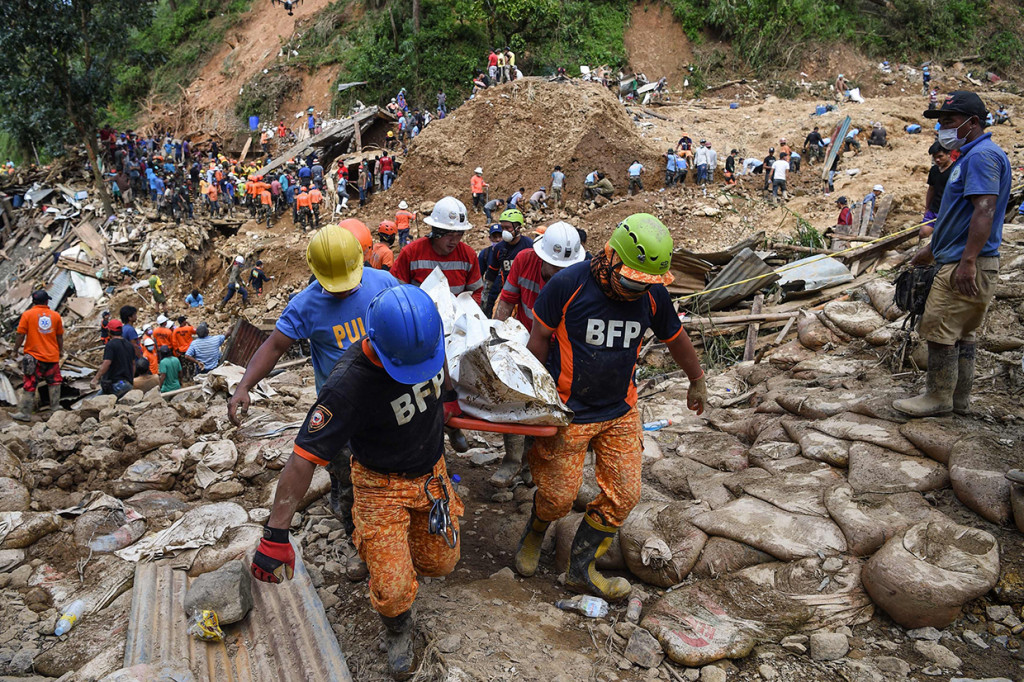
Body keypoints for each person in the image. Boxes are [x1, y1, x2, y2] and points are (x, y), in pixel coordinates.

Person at [250, 285, 462, 678]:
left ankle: (397, 560)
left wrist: (448, 397)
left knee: (440, 562)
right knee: (393, 588)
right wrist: (275, 535)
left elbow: (439, 360)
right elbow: (303, 458)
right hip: (380, 484)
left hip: (431, 474)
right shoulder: (348, 385)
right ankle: (398, 625)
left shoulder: (423, 340)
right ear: (377, 343)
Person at [513, 214, 707, 600]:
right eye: (631, 281)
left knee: (624, 494)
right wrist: (529, 400)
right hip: (569, 411)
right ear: (611, 258)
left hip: (619, 409)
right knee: (557, 497)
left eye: (645, 284)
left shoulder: (651, 295)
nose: (636, 291)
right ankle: (536, 530)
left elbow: (675, 336)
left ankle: (581, 570)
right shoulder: (567, 285)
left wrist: (697, 378)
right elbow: (538, 343)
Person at [229, 226, 399, 579]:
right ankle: (358, 535)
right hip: (340, 404)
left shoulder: (382, 282)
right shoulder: (305, 305)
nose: (345, 289)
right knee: (346, 470)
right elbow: (273, 347)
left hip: (386, 394)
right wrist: (244, 385)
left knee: (386, 466)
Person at [894, 91, 1011, 418]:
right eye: (940, 122)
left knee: (939, 328)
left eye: (949, 121)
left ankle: (938, 397)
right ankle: (958, 400)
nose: (942, 128)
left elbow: (984, 211)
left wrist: (968, 262)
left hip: (965, 263)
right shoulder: (971, 156)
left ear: (973, 122)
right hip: (961, 258)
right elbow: (959, 218)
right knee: (963, 332)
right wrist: (932, 250)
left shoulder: (981, 158)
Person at [489, 222, 585, 487]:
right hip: (525, 339)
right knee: (514, 398)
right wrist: (497, 335)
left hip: (560, 346)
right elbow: (508, 299)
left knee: (546, 405)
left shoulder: (580, 272)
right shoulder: (524, 259)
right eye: (554, 270)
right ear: (541, 258)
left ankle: (533, 463)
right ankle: (511, 461)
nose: (559, 277)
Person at [392, 196, 483, 304]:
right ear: (436, 232)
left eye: (459, 235)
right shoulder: (411, 253)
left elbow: (476, 292)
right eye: (449, 235)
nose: (454, 241)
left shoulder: (468, 256)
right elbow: (394, 292)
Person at [11, 290, 64, 420]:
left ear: (33, 302)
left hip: (34, 358)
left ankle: (25, 413)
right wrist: (60, 350)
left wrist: (15, 350)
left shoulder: (27, 315)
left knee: (30, 383)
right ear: (47, 301)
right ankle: (55, 409)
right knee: (54, 382)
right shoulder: (55, 316)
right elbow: (59, 336)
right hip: (51, 356)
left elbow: (20, 334)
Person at [483, 208, 533, 315]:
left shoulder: (529, 246)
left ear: (518, 228)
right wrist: (485, 295)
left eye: (508, 228)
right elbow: (492, 273)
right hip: (507, 294)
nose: (504, 231)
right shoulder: (499, 248)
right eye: (502, 228)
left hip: (526, 294)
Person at [90, 319, 135, 398]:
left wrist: (96, 379)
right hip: (127, 384)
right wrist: (131, 380)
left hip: (116, 385)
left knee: (95, 403)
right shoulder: (129, 345)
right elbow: (133, 364)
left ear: (109, 331)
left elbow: (107, 363)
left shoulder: (110, 345)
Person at [923, 141, 954, 236]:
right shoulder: (934, 170)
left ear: (948, 154)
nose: (937, 160)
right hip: (934, 208)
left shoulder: (956, 170)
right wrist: (927, 208)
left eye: (940, 156)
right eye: (935, 157)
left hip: (949, 211)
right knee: (923, 233)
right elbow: (931, 189)